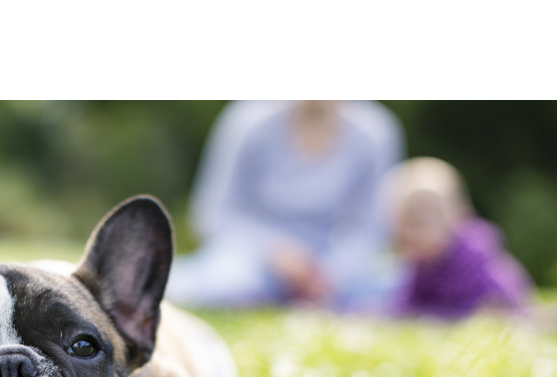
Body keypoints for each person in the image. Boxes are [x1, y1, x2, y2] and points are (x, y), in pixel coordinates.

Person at [165, 101, 404, 310]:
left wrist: (331, 274)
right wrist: (275, 253)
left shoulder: (375, 131)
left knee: (397, 285)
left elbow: (369, 228)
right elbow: (213, 215)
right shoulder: (247, 121)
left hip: (337, 268)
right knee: (225, 284)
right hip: (253, 259)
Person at [384, 157, 532, 318]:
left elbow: (503, 300)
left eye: (419, 223)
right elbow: (406, 305)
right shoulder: (421, 266)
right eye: (402, 226)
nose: (409, 233)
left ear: (458, 216)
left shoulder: (476, 259)